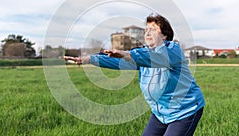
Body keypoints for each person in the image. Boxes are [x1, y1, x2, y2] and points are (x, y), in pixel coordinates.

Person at [64, 14, 205, 136]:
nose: (148, 33)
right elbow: (117, 61)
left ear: (164, 35)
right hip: (160, 113)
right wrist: (88, 59)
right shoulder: (141, 56)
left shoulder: (173, 50)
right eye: (147, 30)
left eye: (153, 30)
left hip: (185, 111)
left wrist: (128, 54)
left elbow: (153, 56)